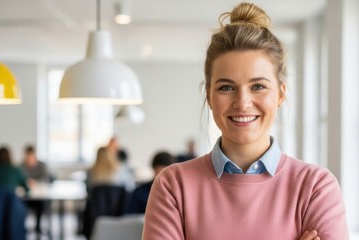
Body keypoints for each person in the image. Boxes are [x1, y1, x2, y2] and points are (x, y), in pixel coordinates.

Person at [143, 2, 348, 240]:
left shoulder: (316, 188)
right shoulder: (173, 186)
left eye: (258, 86)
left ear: (280, 94)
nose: (242, 102)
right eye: (226, 87)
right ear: (209, 95)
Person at [20, 145, 50, 234]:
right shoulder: (21, 166)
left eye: (31, 157)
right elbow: (19, 179)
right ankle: (22, 226)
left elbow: (46, 179)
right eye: (27, 157)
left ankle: (38, 226)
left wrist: (35, 182)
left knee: (40, 204)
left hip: (39, 195)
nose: (29, 160)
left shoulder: (41, 165)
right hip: (25, 196)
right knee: (19, 204)